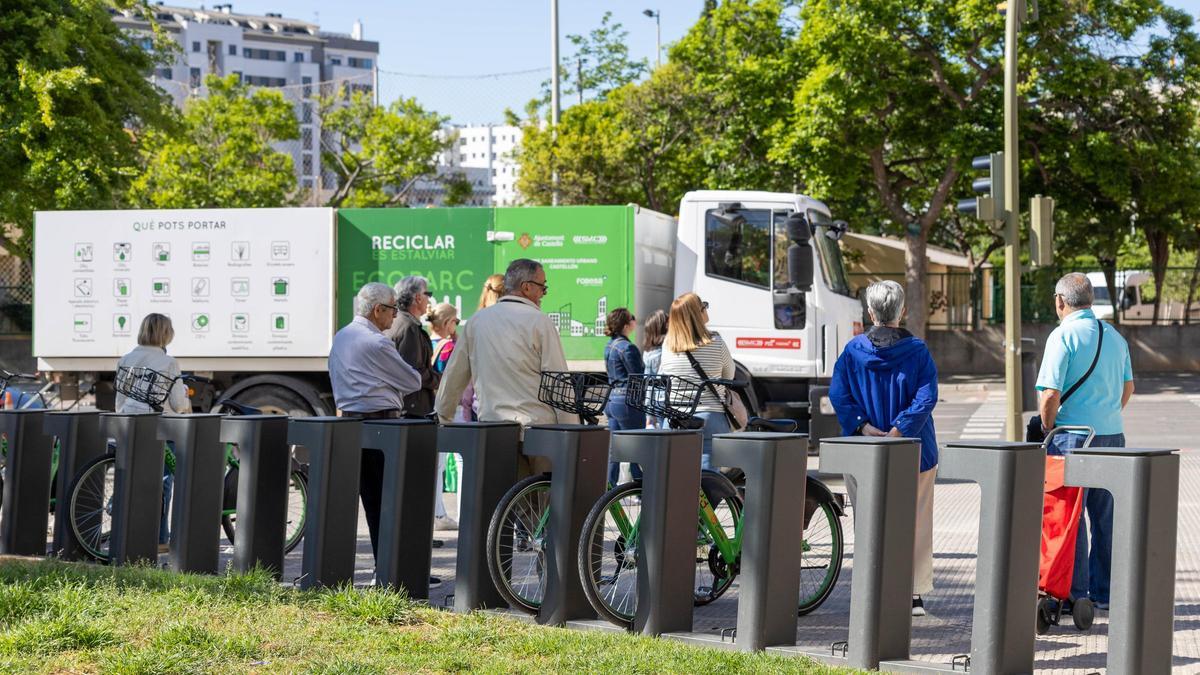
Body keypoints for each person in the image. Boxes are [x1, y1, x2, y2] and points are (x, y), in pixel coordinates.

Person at [828, 280, 938, 617]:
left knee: (868, 518)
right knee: (915, 521)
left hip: (863, 448)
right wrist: (899, 429)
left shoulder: (852, 351)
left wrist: (862, 425)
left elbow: (838, 394)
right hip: (914, 447)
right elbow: (926, 396)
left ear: (871, 312)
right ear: (902, 311)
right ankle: (913, 594)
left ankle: (871, 586)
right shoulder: (917, 351)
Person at [1036, 272, 1134, 612]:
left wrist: (1048, 426)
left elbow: (1050, 393)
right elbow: (1128, 388)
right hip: (1112, 436)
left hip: (1071, 437)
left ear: (1060, 301)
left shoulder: (1061, 337)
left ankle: (1075, 595)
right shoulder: (1115, 336)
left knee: (1071, 516)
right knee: (1106, 516)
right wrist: (1108, 413)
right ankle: (1105, 592)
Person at [435, 259, 573, 477]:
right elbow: (558, 383)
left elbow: (454, 376)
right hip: (537, 431)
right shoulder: (540, 322)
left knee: (508, 503)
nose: (543, 294)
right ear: (527, 287)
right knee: (544, 503)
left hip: (494, 428)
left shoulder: (476, 321)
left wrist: (442, 417)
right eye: (542, 287)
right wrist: (572, 430)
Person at [328, 283, 422, 578]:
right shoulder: (376, 343)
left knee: (372, 500)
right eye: (393, 308)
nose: (396, 316)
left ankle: (386, 566)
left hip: (352, 423)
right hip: (383, 424)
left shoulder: (341, 337)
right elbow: (413, 381)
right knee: (389, 502)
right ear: (378, 310)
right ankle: (394, 569)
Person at [115, 313, 191, 553]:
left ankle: (128, 531)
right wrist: (185, 390)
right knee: (164, 481)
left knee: (135, 478)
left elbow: (119, 402)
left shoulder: (125, 359)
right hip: (161, 428)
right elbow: (178, 405)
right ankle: (159, 539)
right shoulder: (168, 363)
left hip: (131, 426)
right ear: (165, 334)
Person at [657, 293, 734, 470]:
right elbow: (728, 376)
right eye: (704, 306)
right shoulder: (716, 342)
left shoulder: (668, 345)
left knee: (674, 475)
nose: (706, 309)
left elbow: (663, 375)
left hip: (674, 418)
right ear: (697, 314)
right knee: (706, 480)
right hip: (709, 416)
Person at [603, 308, 645, 485]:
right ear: (627, 325)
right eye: (632, 318)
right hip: (628, 402)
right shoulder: (628, 347)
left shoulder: (610, 345)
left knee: (614, 451)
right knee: (637, 447)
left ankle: (608, 488)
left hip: (612, 400)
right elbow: (638, 377)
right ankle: (641, 488)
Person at [428, 302, 461, 530]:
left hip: (429, 405)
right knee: (459, 459)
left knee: (436, 463)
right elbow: (453, 377)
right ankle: (448, 513)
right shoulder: (448, 346)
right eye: (455, 321)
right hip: (449, 405)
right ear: (448, 323)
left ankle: (438, 512)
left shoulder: (427, 342)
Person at [387, 276, 437, 417]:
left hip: (406, 405)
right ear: (418, 298)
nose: (429, 299)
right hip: (412, 409)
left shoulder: (399, 322)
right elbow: (413, 372)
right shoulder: (408, 327)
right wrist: (440, 380)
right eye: (428, 294)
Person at [640, 309, 668, 429]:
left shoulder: (647, 353)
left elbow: (648, 382)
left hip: (656, 400)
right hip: (669, 399)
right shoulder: (668, 351)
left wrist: (649, 415)